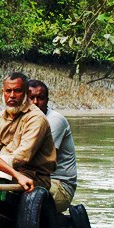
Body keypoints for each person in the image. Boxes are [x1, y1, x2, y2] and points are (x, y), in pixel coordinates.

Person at [0, 72, 56, 190]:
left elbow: (23, 155)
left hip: (34, 177)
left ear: (26, 94)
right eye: (8, 91)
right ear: (3, 92)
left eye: (17, 91)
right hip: (2, 171)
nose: (12, 95)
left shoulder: (36, 118)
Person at [27, 80, 78, 212]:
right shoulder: (20, 120)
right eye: (30, 98)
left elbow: (38, 160)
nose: (35, 102)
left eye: (40, 98)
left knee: (21, 193)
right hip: (33, 178)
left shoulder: (55, 121)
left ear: (47, 101)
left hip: (60, 185)